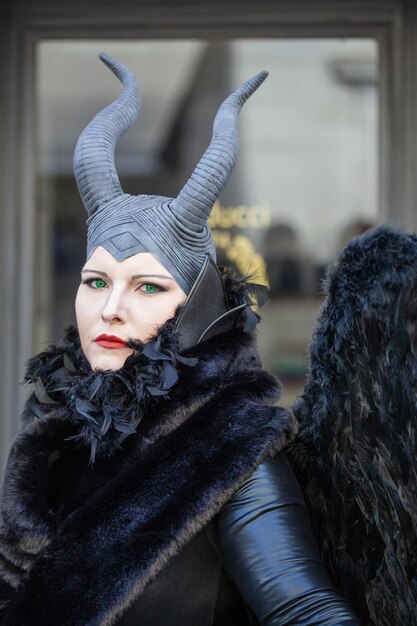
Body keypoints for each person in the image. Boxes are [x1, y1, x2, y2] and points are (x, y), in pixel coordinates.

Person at [0, 54, 359, 625]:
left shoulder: (237, 448)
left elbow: (305, 609)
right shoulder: (50, 424)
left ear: (195, 308)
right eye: (97, 281)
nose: (110, 309)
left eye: (147, 286)